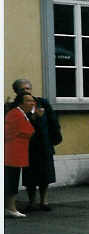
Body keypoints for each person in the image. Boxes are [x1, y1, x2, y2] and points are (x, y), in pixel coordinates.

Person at [12, 79, 61, 211]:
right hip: (28, 145)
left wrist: (56, 137)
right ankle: (31, 201)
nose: (26, 91)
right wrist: (33, 117)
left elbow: (53, 120)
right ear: (16, 91)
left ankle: (44, 201)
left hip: (44, 143)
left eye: (27, 88)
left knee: (46, 173)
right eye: (22, 89)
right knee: (30, 175)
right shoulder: (15, 106)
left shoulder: (42, 102)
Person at [5, 92, 36, 218]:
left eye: (32, 101)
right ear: (21, 103)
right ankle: (11, 208)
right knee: (12, 181)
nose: (32, 103)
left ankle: (10, 207)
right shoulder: (16, 114)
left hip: (16, 152)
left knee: (12, 180)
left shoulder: (21, 114)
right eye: (28, 101)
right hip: (12, 153)